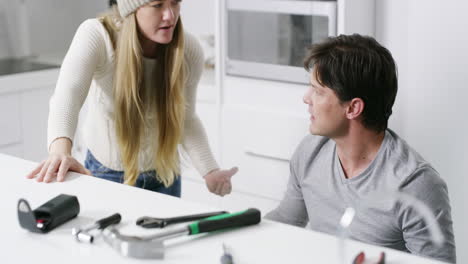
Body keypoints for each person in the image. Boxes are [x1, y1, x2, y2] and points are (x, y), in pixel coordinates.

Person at [265, 34, 456, 263]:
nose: (306, 98)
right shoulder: (310, 152)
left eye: (318, 91)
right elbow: (286, 221)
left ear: (353, 108)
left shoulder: (415, 184)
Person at [26, 0, 237, 197]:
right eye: (157, 5)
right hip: (106, 174)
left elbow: (186, 119)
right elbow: (67, 96)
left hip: (165, 175)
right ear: (132, 9)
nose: (170, 15)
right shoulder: (98, 36)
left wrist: (210, 170)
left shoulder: (188, 50)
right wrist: (60, 152)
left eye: (175, 2)